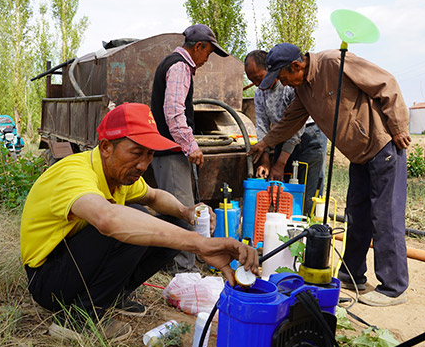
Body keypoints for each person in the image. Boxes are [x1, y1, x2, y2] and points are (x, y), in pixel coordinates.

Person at [20, 102, 259, 342]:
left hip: (71, 267)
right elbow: (108, 220)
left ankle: (113, 295)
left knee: (176, 224)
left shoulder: (118, 173)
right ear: (106, 147)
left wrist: (186, 211)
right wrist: (199, 244)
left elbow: (154, 196)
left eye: (150, 154)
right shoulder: (73, 173)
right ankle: (78, 319)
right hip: (47, 281)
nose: (144, 165)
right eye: (136, 153)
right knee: (132, 219)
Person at [250, 43, 411, 307]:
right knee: (356, 216)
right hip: (359, 155)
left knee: (385, 215)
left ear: (297, 66)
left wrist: (398, 125)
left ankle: (393, 287)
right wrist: (264, 143)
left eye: (283, 77)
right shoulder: (302, 89)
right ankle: (353, 275)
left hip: (383, 146)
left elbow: (386, 82)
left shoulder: (335, 62)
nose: (284, 83)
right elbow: (290, 121)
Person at [150, 24, 229, 273]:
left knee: (171, 210)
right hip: (171, 151)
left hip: (165, 150)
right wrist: (190, 145)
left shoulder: (172, 63)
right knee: (184, 210)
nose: (207, 59)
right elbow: (174, 112)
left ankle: (166, 262)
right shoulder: (180, 66)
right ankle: (184, 268)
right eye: (208, 53)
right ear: (198, 47)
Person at [244, 50, 327, 215]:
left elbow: (296, 125)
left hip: (309, 135)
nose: (257, 83)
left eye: (259, 77)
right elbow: (262, 126)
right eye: (252, 79)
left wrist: (280, 164)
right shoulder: (259, 93)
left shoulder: (289, 85)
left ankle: (306, 230)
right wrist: (266, 161)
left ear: (270, 69)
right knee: (283, 188)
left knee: (306, 193)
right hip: (281, 136)